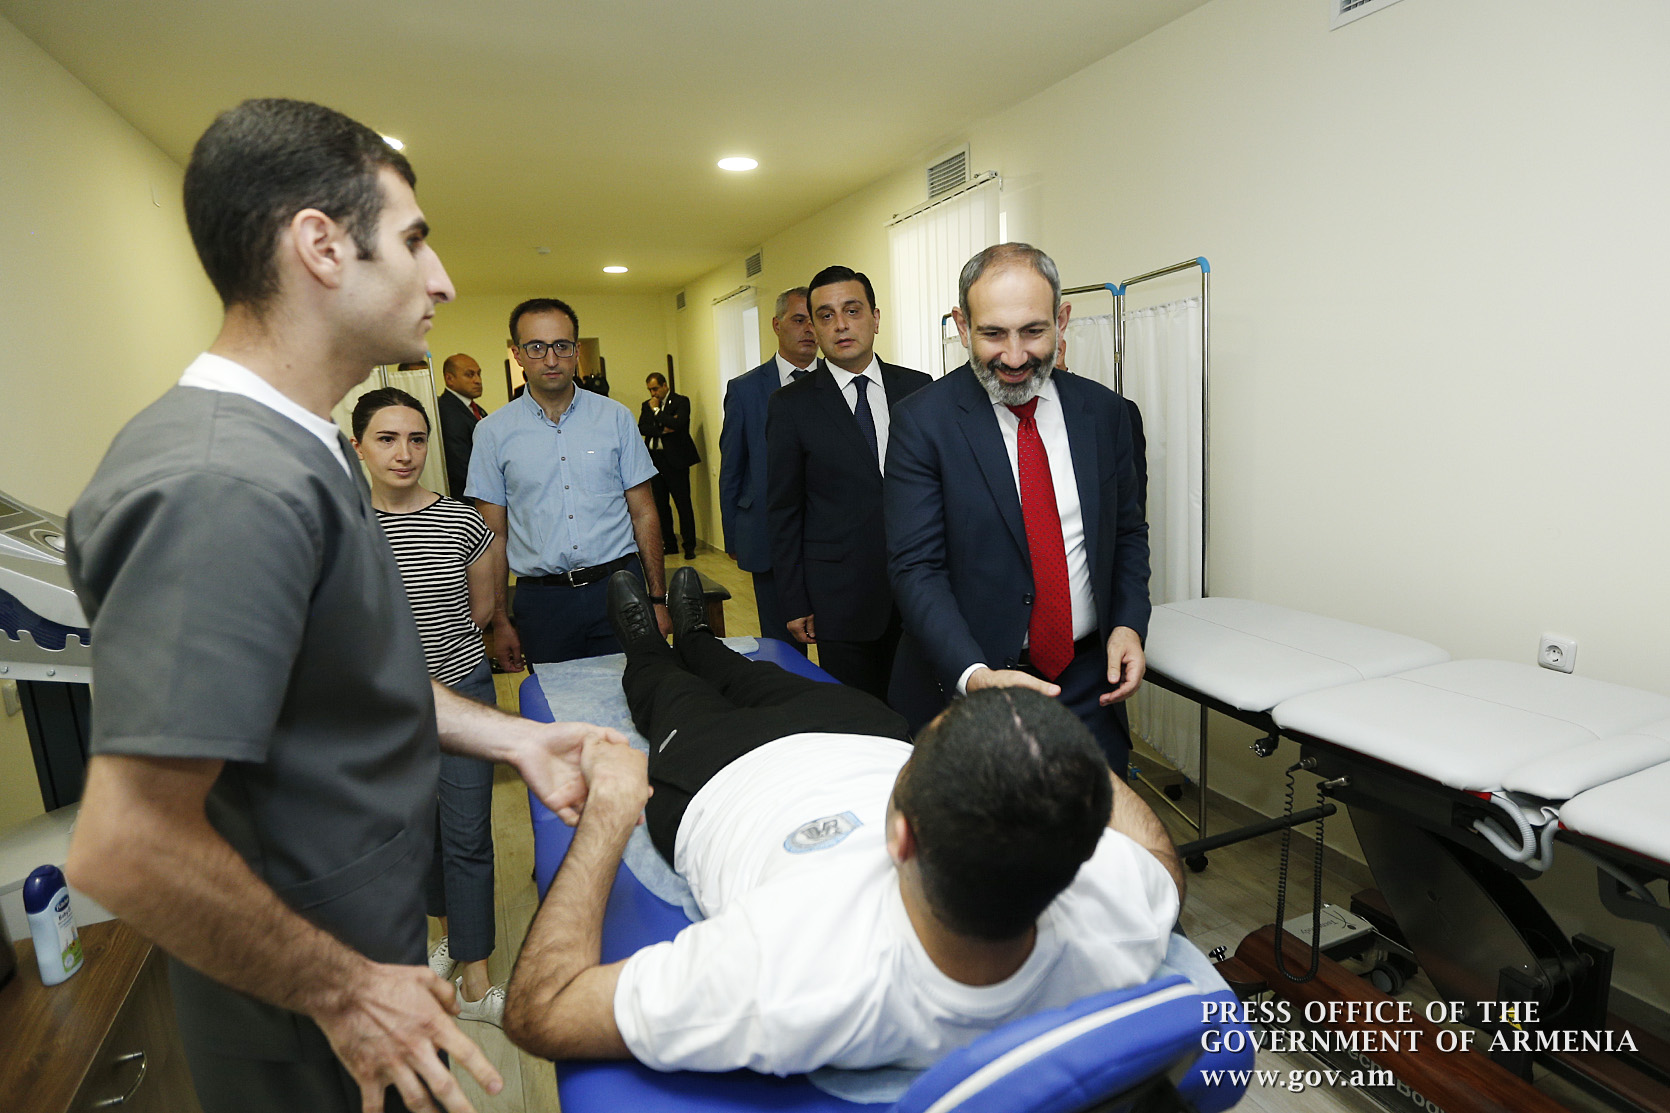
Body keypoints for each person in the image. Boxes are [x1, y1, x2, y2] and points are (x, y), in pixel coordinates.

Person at [62, 98, 618, 1113]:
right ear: (320, 246)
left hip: (365, 951)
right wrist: (347, 991)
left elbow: (340, 682)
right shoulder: (220, 483)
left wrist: (510, 738)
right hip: (306, 1010)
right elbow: (129, 844)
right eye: (412, 241)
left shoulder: (306, 448)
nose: (441, 278)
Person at [502, 568, 1183, 1074]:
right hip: (859, 732)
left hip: (726, 777)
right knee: (740, 669)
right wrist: (1057, 746)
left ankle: (649, 645)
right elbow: (1160, 862)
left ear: (899, 837)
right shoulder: (1109, 914)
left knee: (667, 687)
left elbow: (543, 1009)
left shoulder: (789, 970)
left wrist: (607, 813)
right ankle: (701, 636)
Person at [885, 243, 1151, 773]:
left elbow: (1126, 533)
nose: (1013, 356)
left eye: (1033, 331)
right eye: (992, 334)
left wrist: (1128, 624)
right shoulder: (923, 422)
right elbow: (916, 568)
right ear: (962, 326)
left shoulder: (1105, 413)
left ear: (1062, 320)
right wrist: (973, 674)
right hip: (968, 688)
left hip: (1088, 684)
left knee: (1104, 824)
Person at [351, 388, 505, 1028]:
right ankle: (447, 936)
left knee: (468, 835)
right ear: (358, 447)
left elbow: (482, 611)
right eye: (387, 439)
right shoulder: (342, 529)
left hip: (462, 693)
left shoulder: (463, 523)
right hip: (385, 712)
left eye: (416, 439)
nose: (405, 453)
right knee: (420, 838)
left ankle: (475, 981)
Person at [466, 297, 669, 670]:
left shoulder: (616, 418)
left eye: (561, 346)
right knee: (558, 704)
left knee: (637, 694)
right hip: (543, 605)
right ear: (517, 354)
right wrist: (500, 619)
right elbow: (494, 535)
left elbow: (644, 514)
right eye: (536, 347)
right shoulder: (492, 433)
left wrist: (658, 600)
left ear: (576, 351)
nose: (550, 359)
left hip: (619, 589)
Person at [766, 266, 930, 699]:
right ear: (814, 328)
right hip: (840, 598)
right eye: (825, 315)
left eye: (852, 311)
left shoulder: (919, 389)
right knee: (860, 718)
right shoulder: (790, 406)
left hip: (921, 592)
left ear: (875, 318)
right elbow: (784, 510)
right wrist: (795, 600)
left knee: (925, 715)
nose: (840, 324)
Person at [718, 287, 817, 653]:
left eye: (815, 320)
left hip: (829, 538)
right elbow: (733, 467)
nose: (809, 329)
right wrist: (733, 535)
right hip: (769, 535)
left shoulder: (839, 382)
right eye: (798, 320)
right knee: (782, 645)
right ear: (777, 325)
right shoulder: (745, 390)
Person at [639, 371, 700, 560]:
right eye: (650, 390)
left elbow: (678, 424)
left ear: (665, 385)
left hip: (676, 460)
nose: (653, 393)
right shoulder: (646, 405)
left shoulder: (681, 401)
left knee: (683, 503)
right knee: (661, 505)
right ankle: (670, 543)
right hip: (655, 460)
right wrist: (662, 429)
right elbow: (642, 427)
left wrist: (658, 412)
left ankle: (689, 546)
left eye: (655, 388)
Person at [436, 353, 487, 499]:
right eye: (469, 375)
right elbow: (459, 465)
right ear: (449, 379)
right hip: (468, 497)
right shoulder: (446, 411)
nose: (477, 380)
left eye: (478, 374)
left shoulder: (475, 408)